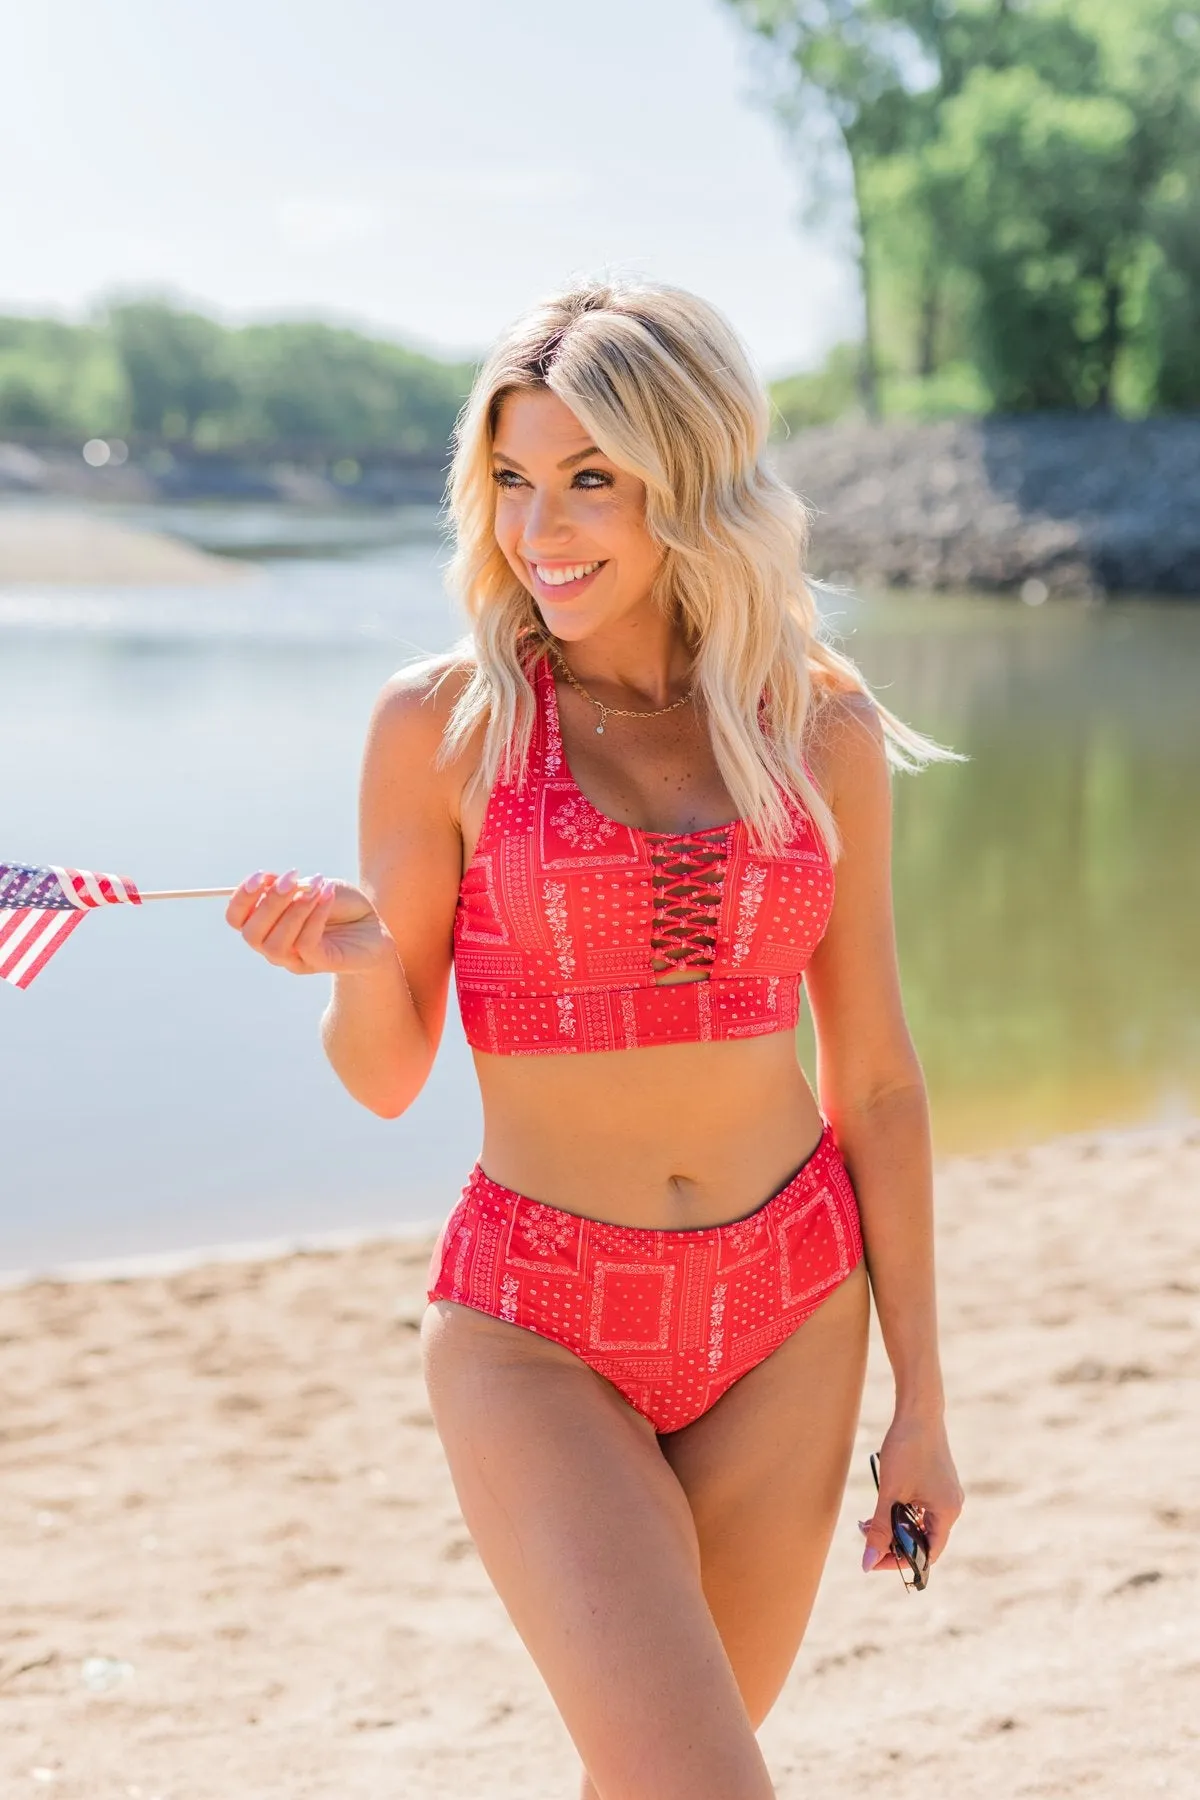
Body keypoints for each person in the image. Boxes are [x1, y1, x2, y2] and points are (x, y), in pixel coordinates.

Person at [225, 280, 964, 1800]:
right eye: (508, 479)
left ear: (688, 478)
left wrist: (925, 1407)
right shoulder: (442, 727)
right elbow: (383, 1079)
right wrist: (353, 966)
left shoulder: (813, 725)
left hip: (791, 1315)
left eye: (588, 480)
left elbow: (878, 1079)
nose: (538, 529)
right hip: (536, 1328)